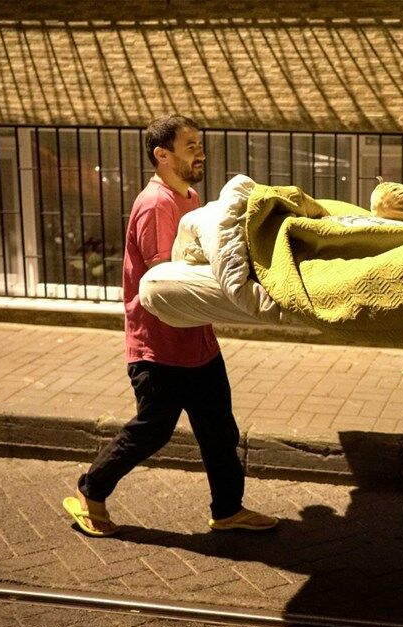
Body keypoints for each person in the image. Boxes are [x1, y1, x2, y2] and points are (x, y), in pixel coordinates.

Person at [62, 115, 278, 537]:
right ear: (162, 155)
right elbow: (168, 278)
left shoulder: (190, 198)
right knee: (153, 430)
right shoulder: (156, 204)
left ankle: (228, 510)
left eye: (200, 144)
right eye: (190, 146)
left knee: (220, 431)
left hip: (197, 342)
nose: (201, 153)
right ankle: (91, 492)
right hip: (159, 348)